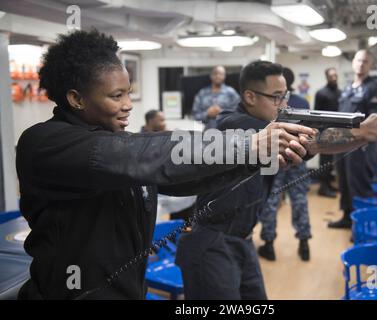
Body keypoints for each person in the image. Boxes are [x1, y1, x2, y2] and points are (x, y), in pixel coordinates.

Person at [15, 30, 311, 300]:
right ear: (76, 98)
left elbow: (180, 178)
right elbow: (141, 155)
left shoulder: (116, 142)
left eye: (128, 92)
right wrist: (250, 144)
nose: (128, 104)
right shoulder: (45, 144)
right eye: (116, 96)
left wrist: (255, 157)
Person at [175, 60, 377, 300]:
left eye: (284, 95)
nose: (284, 103)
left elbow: (314, 145)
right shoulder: (232, 124)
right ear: (250, 97)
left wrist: (367, 135)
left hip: (242, 239)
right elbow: (313, 141)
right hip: (211, 243)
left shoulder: (267, 124)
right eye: (276, 97)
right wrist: (364, 132)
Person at [258, 67, 312, 262]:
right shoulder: (303, 103)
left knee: (270, 201)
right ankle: (304, 244)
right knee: (299, 200)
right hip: (297, 157)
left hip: (274, 157)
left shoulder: (268, 103)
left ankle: (269, 245)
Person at [328, 49, 377, 229]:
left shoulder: (373, 87)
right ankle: (347, 217)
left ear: (370, 65)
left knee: (359, 184)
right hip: (342, 143)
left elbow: (375, 120)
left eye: (365, 61)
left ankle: (360, 226)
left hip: (360, 147)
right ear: (353, 62)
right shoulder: (347, 88)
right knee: (344, 182)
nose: (361, 64)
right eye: (359, 60)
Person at [314, 67, 341, 198]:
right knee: (324, 160)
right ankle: (323, 188)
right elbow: (316, 114)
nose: (334, 78)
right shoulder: (321, 93)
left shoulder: (340, 93)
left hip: (337, 132)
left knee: (332, 161)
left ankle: (329, 184)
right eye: (331, 76)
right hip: (324, 132)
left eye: (335, 75)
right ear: (327, 77)